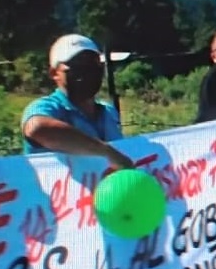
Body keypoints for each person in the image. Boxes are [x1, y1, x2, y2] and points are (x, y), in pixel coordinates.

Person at [21, 34, 134, 171]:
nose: (86, 71)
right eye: (76, 65)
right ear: (54, 73)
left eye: (93, 63)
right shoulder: (49, 107)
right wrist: (106, 152)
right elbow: (36, 127)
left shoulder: (108, 111)